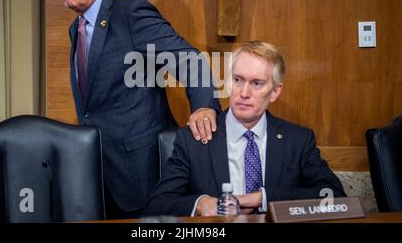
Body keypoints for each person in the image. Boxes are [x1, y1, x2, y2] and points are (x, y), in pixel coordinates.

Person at [53, 0, 221, 219]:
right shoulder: (76, 27)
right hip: (97, 173)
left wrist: (204, 106)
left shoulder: (130, 12)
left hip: (141, 171)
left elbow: (188, 60)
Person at [144, 41, 346, 217]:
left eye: (257, 83)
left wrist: (261, 198)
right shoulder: (194, 139)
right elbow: (157, 205)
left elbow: (334, 196)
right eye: (238, 80)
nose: (244, 93)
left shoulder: (297, 139)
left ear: (275, 91)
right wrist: (200, 204)